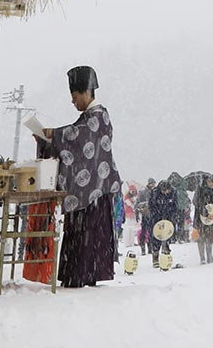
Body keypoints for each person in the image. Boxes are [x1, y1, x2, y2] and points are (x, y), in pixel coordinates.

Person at [32, 66, 122, 288]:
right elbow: (72, 141)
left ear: (85, 92)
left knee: (87, 237)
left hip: (95, 191)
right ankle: (80, 274)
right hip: (86, 192)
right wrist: (46, 141)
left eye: (74, 97)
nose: (73, 102)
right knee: (83, 237)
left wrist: (53, 134)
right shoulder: (87, 118)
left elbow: (77, 137)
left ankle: (82, 275)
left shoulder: (99, 117)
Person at [194, 174, 213, 263]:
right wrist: (205, 210)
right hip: (201, 216)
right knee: (201, 236)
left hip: (212, 217)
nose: (212, 185)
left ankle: (209, 256)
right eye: (210, 183)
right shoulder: (200, 188)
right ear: (207, 181)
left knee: (210, 236)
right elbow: (195, 201)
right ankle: (202, 258)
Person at [148, 177, 177, 267]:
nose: (165, 193)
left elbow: (175, 206)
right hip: (156, 217)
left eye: (167, 191)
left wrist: (171, 216)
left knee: (167, 236)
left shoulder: (173, 192)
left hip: (168, 217)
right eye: (164, 191)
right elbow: (151, 206)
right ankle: (155, 256)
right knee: (156, 237)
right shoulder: (155, 192)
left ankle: (166, 253)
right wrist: (157, 215)